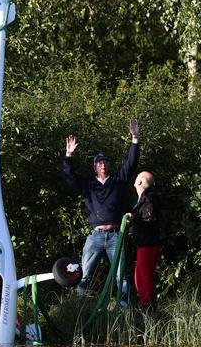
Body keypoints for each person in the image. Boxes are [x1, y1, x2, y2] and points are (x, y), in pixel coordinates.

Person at [62, 119, 140, 301]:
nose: (103, 164)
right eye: (99, 162)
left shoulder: (118, 181)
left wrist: (135, 138)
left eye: (105, 162)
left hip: (115, 236)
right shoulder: (88, 184)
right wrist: (68, 155)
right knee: (84, 275)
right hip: (94, 236)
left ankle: (124, 310)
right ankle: (78, 308)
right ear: (95, 167)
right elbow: (69, 177)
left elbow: (131, 163)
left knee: (121, 277)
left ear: (109, 165)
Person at [128, 171, 160, 308]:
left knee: (144, 277)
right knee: (140, 276)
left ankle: (148, 307)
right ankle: (146, 303)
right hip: (144, 244)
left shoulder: (148, 199)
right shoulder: (144, 198)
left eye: (136, 178)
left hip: (148, 244)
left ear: (140, 182)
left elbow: (149, 219)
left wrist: (134, 219)